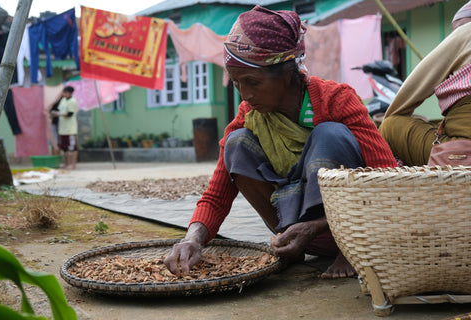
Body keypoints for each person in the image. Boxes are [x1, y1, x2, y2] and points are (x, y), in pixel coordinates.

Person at [164, 6, 397, 279]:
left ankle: (347, 250)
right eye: (237, 84)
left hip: (355, 228)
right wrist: (192, 238)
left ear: (287, 73)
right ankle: (287, 242)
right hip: (298, 232)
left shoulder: (336, 101)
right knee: (236, 144)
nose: (246, 95)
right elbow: (217, 194)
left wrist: (317, 225)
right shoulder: (249, 116)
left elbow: (389, 182)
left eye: (252, 82)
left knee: (329, 134)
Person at [379, 2, 471, 166]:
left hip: (463, 152)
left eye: (456, 30)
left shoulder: (466, 33)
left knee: (390, 126)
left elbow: (414, 86)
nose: (452, 36)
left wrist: (381, 134)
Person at [52, 86, 79, 170]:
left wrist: (58, 114)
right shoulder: (63, 100)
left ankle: (73, 164)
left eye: (66, 92)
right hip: (62, 128)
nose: (64, 94)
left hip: (70, 128)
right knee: (65, 147)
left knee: (73, 147)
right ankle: (67, 164)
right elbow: (59, 110)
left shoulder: (73, 101)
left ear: (70, 93)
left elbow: (70, 113)